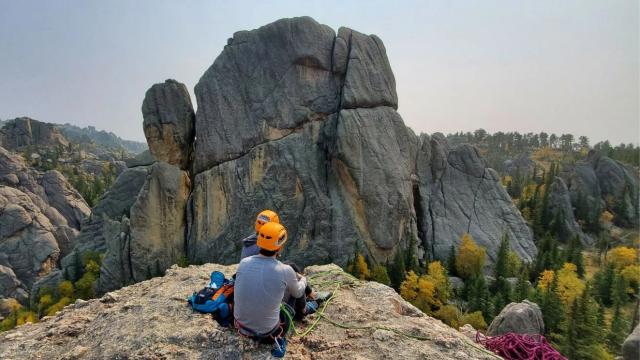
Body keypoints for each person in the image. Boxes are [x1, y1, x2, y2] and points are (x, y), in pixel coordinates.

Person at [234, 222, 317, 358]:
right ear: (279, 246)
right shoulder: (285, 270)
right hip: (268, 333)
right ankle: (305, 310)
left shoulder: (244, 262)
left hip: (240, 326)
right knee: (295, 290)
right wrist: (303, 279)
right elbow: (298, 292)